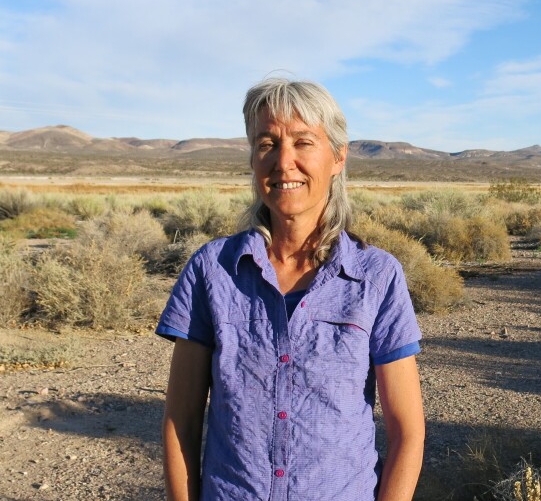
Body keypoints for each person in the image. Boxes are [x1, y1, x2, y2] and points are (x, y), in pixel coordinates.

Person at [157, 79, 425, 500]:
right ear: (252, 158)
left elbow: (407, 431)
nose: (284, 163)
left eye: (303, 143)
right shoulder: (211, 270)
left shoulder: (377, 277)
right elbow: (181, 421)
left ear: (338, 157)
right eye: (267, 143)